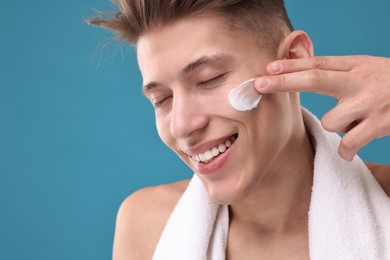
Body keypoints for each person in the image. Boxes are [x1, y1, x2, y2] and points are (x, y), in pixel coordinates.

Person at [88, 1, 390, 259]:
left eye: (210, 79)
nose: (181, 126)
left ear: (294, 59)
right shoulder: (148, 225)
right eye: (161, 99)